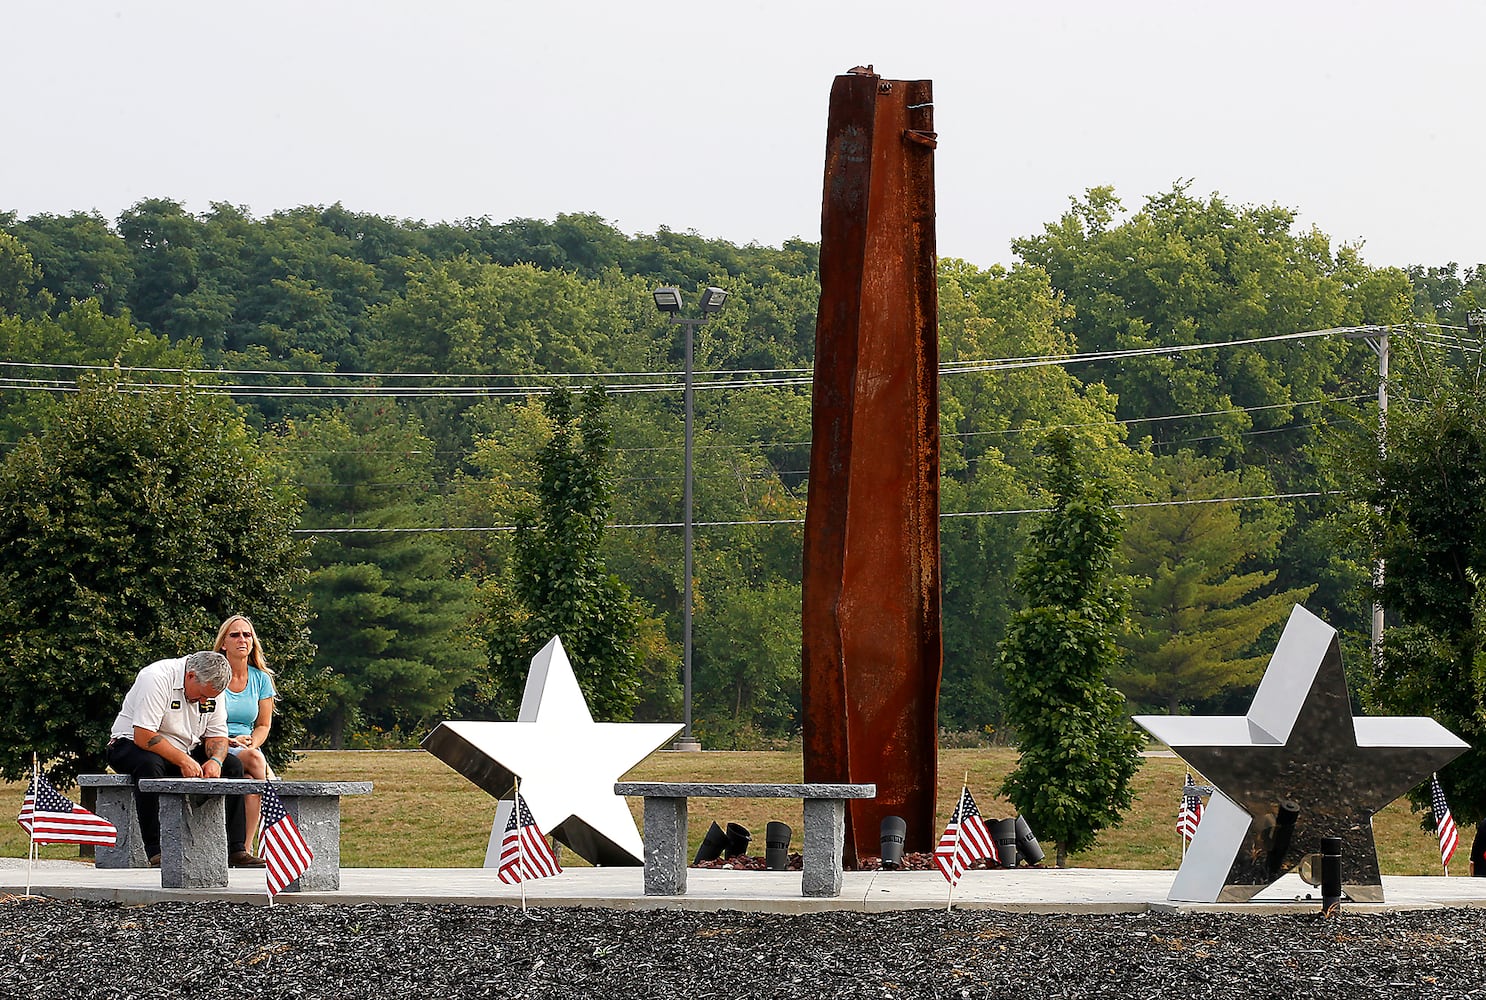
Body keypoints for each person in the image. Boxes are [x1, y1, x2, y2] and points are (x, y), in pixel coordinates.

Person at [106, 650, 265, 868]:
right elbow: (143, 736)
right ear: (190, 676)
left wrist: (216, 761)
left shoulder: (212, 690)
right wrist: (183, 760)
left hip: (185, 746)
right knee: (150, 765)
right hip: (132, 744)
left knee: (234, 765)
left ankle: (237, 849)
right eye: (200, 696)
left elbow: (216, 735)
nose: (202, 701)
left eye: (208, 699)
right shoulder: (156, 678)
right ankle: (156, 850)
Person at [215, 614, 277, 846]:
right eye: (235, 635)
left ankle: (244, 848)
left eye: (247, 635)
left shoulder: (261, 679)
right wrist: (231, 741)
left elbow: (263, 725)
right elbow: (201, 723)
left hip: (247, 745)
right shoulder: (214, 677)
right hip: (217, 740)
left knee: (251, 782)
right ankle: (275, 807)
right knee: (255, 762)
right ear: (224, 643)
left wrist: (251, 743)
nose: (242, 639)